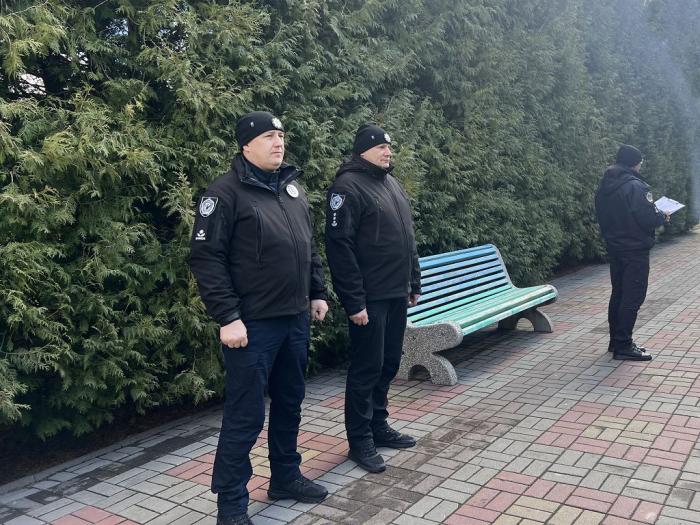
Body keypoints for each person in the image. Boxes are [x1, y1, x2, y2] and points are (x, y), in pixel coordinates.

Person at [189, 111, 329, 525]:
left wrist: (317, 292)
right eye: (268, 135)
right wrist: (227, 316)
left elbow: (308, 246)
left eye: (281, 135)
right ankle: (231, 506)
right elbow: (206, 259)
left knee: (290, 403)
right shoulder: (224, 193)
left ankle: (285, 477)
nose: (278, 142)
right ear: (246, 145)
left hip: (294, 319)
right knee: (245, 416)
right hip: (252, 326)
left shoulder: (292, 190)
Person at [325, 123, 421, 473]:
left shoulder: (391, 184)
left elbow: (408, 237)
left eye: (389, 146)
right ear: (363, 150)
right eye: (381, 146)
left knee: (389, 363)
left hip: (396, 293)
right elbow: (340, 248)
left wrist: (414, 281)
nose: (387, 152)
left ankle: (378, 426)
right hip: (369, 298)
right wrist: (354, 301)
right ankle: (360, 439)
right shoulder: (347, 187)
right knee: (366, 368)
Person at [595, 144, 669, 362]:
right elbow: (647, 218)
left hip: (615, 247)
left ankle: (615, 341)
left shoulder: (605, 185)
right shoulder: (636, 186)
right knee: (633, 296)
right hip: (635, 249)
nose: (640, 166)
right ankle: (624, 345)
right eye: (640, 162)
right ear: (634, 163)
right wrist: (661, 216)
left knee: (618, 294)